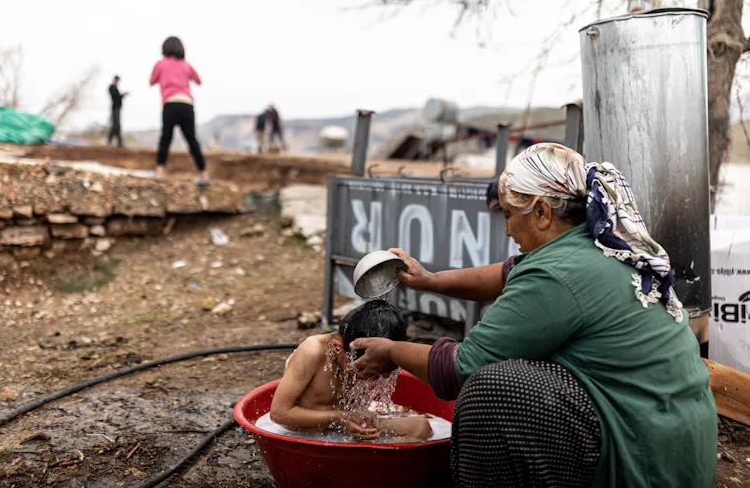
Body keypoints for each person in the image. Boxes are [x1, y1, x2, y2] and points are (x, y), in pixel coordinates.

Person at [351, 143, 717, 487]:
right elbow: (504, 274)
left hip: (643, 459)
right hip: (679, 445)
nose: (508, 230)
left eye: (510, 215)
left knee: (492, 388)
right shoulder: (594, 245)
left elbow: (461, 367)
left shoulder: (556, 274)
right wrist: (431, 281)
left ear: (542, 212)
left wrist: (392, 352)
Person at [270, 300, 432, 442]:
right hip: (305, 436)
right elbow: (279, 414)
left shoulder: (374, 358)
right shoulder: (313, 351)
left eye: (379, 371)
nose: (373, 376)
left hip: (345, 429)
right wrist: (341, 417)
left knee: (421, 427)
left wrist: (363, 421)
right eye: (363, 368)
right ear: (337, 348)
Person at [149, 36, 209, 185]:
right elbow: (199, 81)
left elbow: (151, 81)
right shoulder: (186, 65)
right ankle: (204, 175)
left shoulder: (160, 64)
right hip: (187, 104)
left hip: (170, 103)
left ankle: (159, 171)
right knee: (192, 140)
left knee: (166, 138)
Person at [108, 75, 127, 147]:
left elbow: (118, 97)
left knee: (117, 126)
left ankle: (119, 142)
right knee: (115, 125)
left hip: (117, 108)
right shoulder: (112, 87)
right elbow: (117, 96)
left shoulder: (115, 88)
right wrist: (123, 94)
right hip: (115, 108)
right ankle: (112, 141)